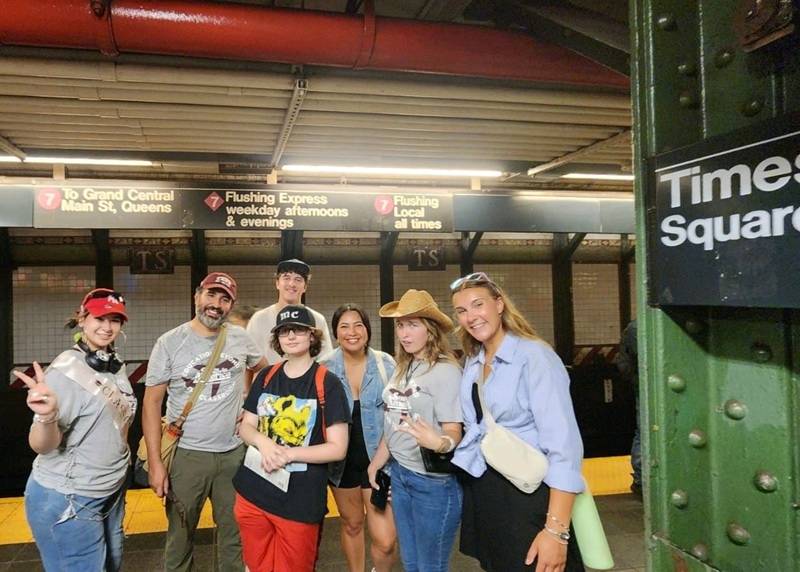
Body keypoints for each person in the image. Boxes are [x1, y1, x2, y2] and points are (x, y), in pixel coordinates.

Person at [450, 272, 585, 572]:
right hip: (488, 494)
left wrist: (556, 531)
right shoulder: (473, 361)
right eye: (462, 311)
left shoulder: (534, 356)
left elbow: (564, 447)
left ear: (499, 304)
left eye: (478, 305)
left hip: (528, 496)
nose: (471, 317)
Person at [142, 272, 267, 572]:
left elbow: (266, 373)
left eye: (224, 299)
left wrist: (253, 409)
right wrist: (157, 464)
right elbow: (151, 404)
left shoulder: (240, 338)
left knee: (234, 535)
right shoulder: (170, 342)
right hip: (187, 456)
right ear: (197, 296)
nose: (216, 304)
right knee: (180, 535)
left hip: (233, 455)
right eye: (211, 295)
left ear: (230, 305)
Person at [15, 288, 136, 572]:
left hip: (109, 490)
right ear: (82, 318)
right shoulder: (65, 373)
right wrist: (47, 416)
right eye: (99, 318)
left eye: (115, 320)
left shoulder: (113, 366)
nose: (107, 327)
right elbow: (42, 445)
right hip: (70, 497)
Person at [233, 305, 350, 572]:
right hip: (253, 493)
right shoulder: (267, 375)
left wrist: (288, 454)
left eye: (298, 330)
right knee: (256, 566)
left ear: (312, 336)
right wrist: (265, 443)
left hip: (299, 500)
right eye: (285, 331)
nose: (291, 336)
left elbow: (338, 447)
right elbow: (247, 427)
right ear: (277, 339)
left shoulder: (326, 383)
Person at [367, 289, 463, 572]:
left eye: (413, 324)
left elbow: (453, 431)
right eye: (400, 325)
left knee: (430, 567)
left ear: (430, 329)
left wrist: (440, 442)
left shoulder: (445, 371)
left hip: (434, 484)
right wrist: (377, 462)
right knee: (411, 564)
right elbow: (394, 421)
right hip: (401, 475)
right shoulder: (403, 367)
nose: (404, 333)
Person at [323, 303, 399, 572]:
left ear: (367, 330)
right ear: (335, 333)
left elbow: (398, 414)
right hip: (341, 464)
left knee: (386, 540)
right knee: (352, 524)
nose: (352, 332)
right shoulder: (324, 368)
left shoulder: (385, 364)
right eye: (344, 326)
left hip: (378, 462)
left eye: (358, 325)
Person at [247, 259, 333, 363]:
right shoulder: (259, 319)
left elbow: (326, 360)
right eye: (286, 278)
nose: (292, 284)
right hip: (267, 378)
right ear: (277, 283)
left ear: (305, 287)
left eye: (298, 279)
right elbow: (248, 361)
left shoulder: (317, 319)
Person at [616, 319, 641, 499]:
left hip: (641, 384)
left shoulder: (635, 327)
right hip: (647, 386)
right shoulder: (638, 328)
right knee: (644, 432)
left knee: (644, 431)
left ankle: (641, 479)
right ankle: (641, 478)